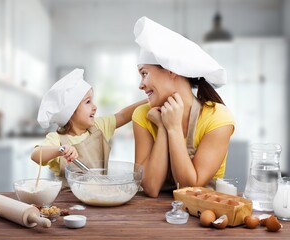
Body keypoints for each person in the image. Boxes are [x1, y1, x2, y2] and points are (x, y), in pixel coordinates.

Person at [132, 16, 235, 197]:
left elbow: (188, 185)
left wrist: (173, 128)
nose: (141, 85)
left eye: (144, 73)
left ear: (171, 70)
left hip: (202, 216)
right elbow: (150, 187)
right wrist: (163, 127)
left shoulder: (218, 118)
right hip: (150, 218)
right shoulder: (142, 115)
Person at [31, 68, 146, 182]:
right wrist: (60, 150)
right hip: (67, 198)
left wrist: (150, 100)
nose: (94, 107)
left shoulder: (99, 127)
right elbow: (35, 155)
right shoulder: (57, 139)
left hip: (99, 194)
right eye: (88, 102)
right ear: (70, 112)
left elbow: (122, 116)